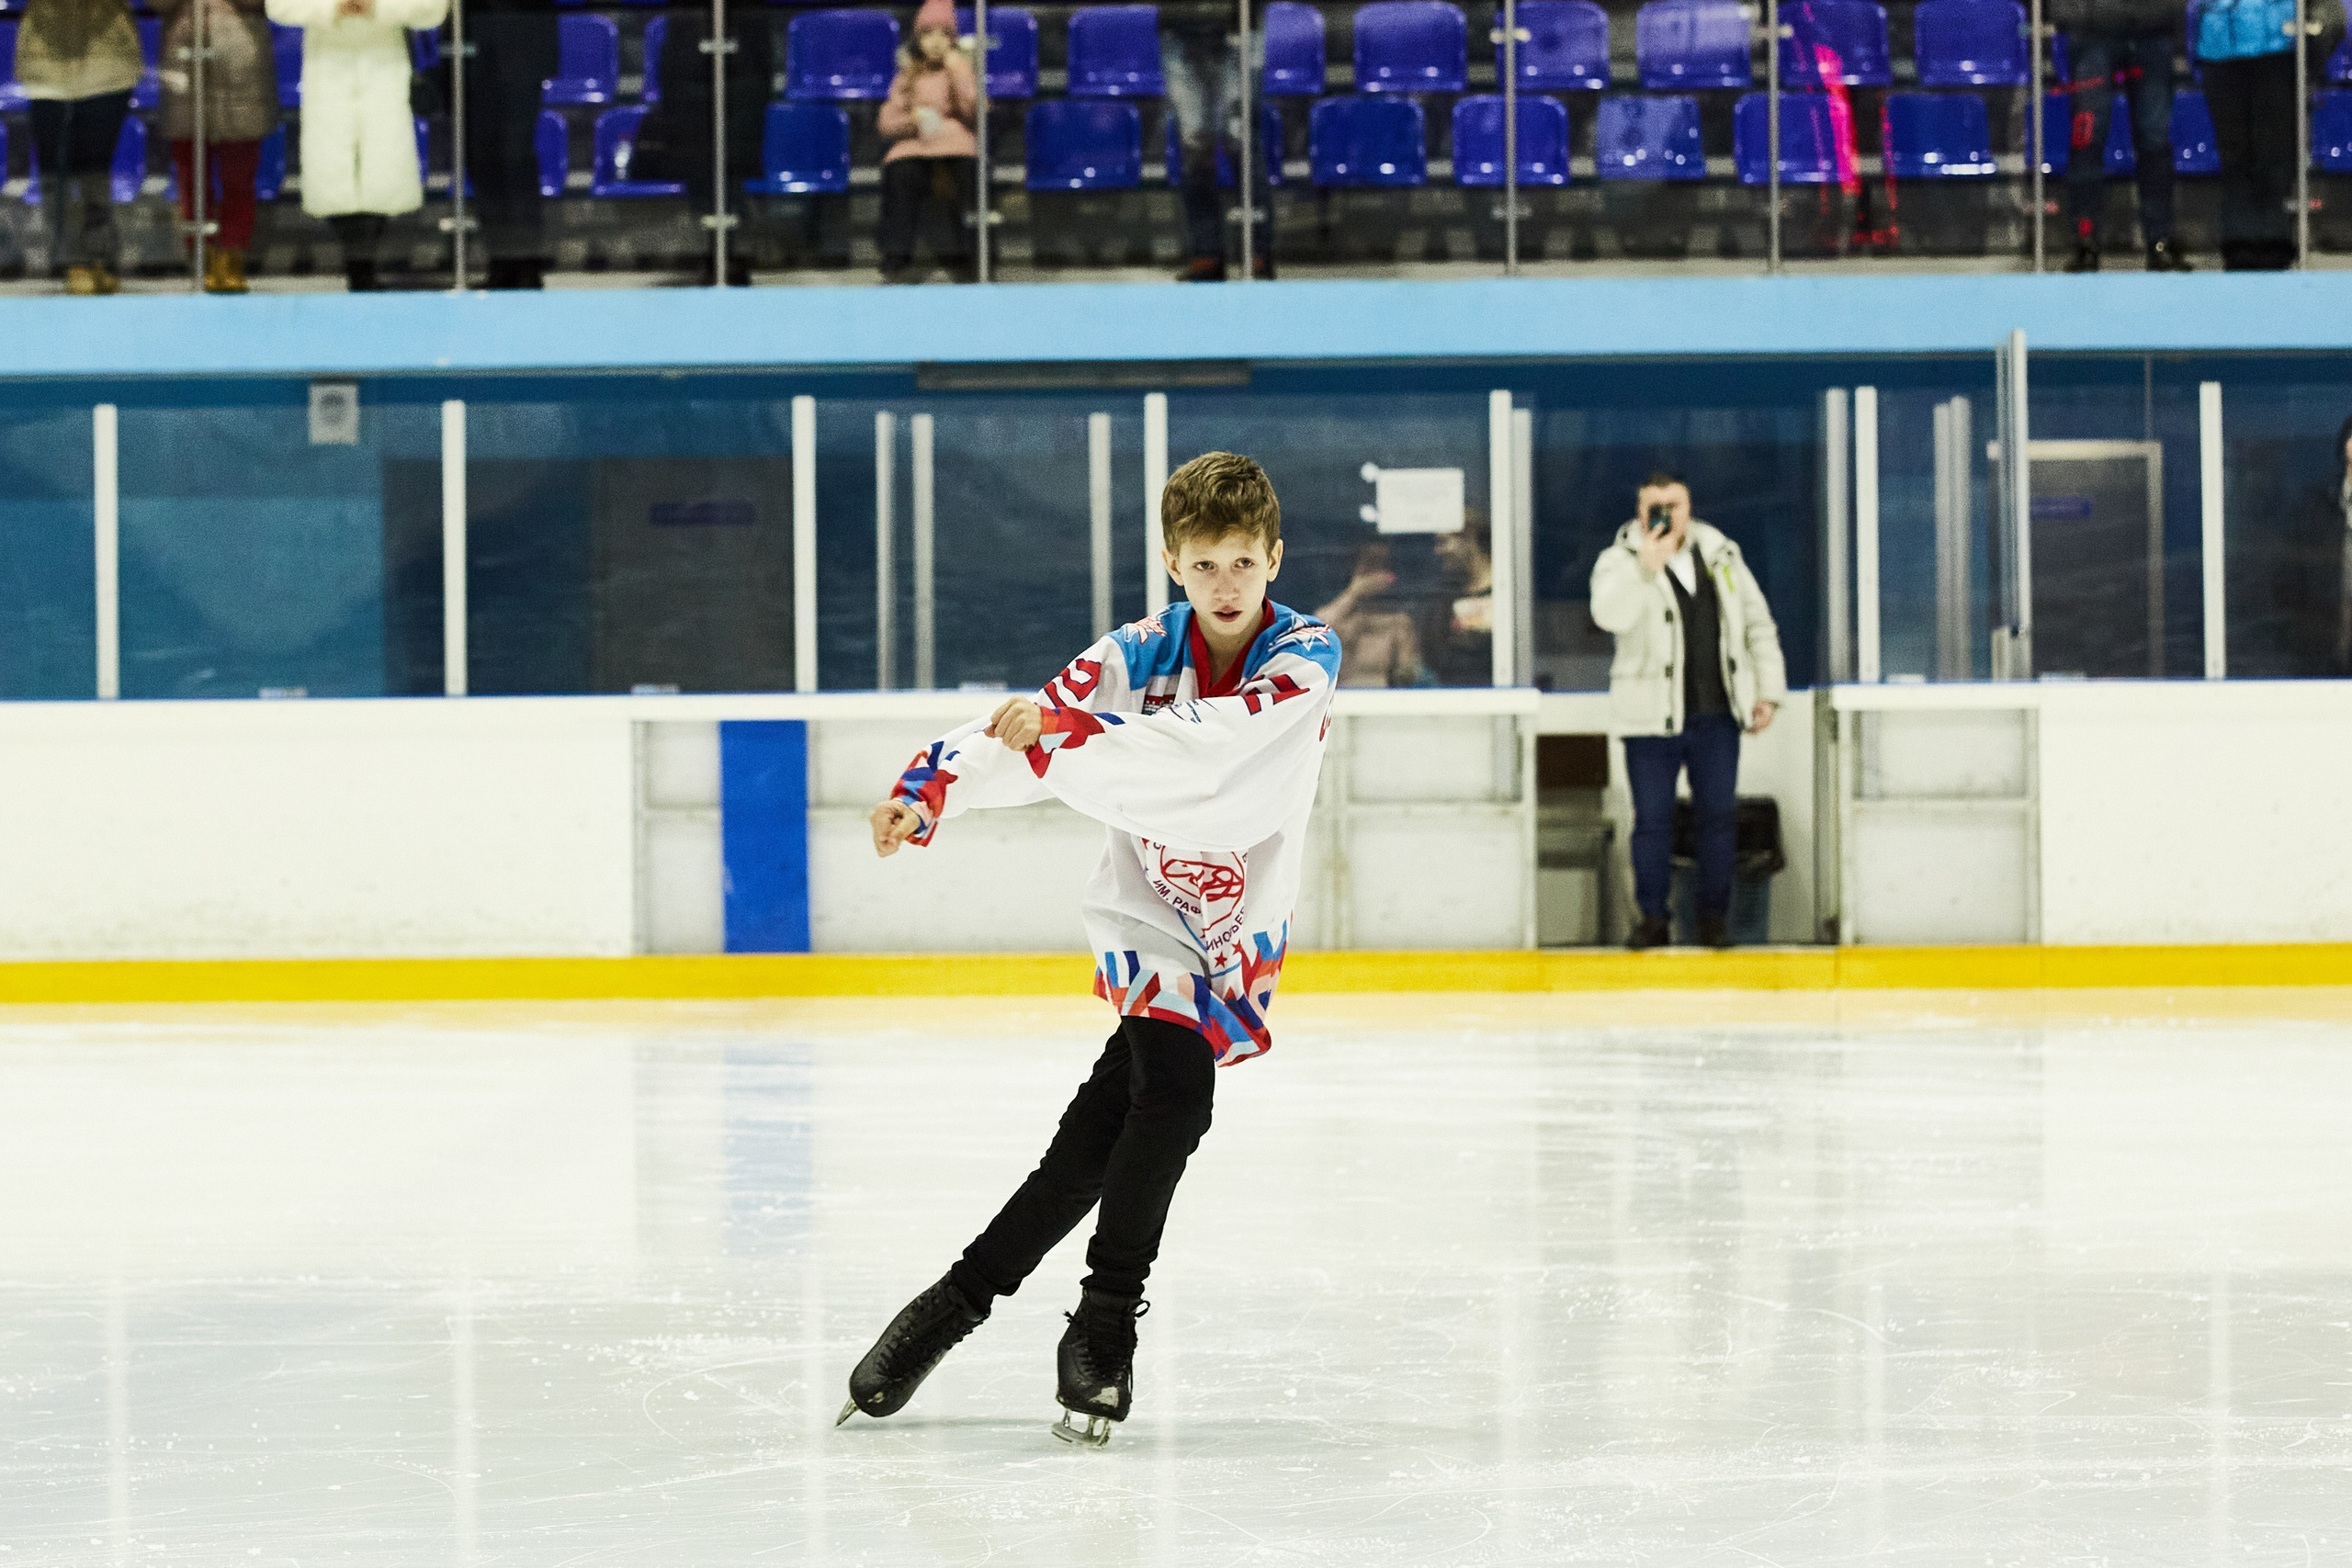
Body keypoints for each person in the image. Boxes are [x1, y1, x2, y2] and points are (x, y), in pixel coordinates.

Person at [840, 452, 1340, 1448]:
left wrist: (1063, 733)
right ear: (1172, 564)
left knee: (1095, 1145)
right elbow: (1023, 724)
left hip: (1241, 927)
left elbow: (1208, 747)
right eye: (1205, 566)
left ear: (1274, 557)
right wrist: (926, 791)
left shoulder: (1304, 659)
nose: (1227, 584)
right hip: (1148, 909)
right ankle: (1103, 1327)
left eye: (1244, 561)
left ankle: (953, 1304)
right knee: (1177, 1099)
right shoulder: (1137, 651)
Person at [1589, 472, 1788, 950]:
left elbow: (1757, 625)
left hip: (1716, 711)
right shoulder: (1619, 561)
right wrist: (1645, 568)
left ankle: (1714, 918)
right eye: (1653, 506)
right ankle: (1653, 918)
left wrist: (1768, 692)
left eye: (1673, 504)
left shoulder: (1722, 555)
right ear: (1639, 512)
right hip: (1649, 718)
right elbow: (1608, 617)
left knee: (1718, 818)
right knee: (1652, 820)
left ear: (1689, 507)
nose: (1664, 514)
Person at [266, 0, 449, 291]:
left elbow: (431, 9)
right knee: (335, 174)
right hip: (328, 72)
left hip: (384, 70)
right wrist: (335, 7)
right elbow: (279, 6)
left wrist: (376, 6)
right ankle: (358, 268)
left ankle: (365, 267)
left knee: (383, 171)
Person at [631, 0, 772, 286]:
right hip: (691, 90)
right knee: (701, 168)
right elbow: (673, 62)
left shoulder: (750, 19)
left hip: (741, 84)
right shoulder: (683, 19)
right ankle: (711, 256)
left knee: (732, 168)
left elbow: (760, 58)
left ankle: (733, 257)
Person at [2052, 0, 2192, 272]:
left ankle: (2159, 240)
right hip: (2091, 32)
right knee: (2087, 140)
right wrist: (2075, 15)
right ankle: (2085, 241)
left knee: (2154, 139)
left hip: (2151, 31)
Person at [15, 0, 141, 295]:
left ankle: (100, 258)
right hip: (45, 66)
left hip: (107, 65)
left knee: (96, 170)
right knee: (53, 171)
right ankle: (70, 261)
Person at [155, 0, 278, 294]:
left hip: (241, 67)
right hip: (184, 64)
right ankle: (201, 256)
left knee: (239, 176)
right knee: (190, 177)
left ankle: (232, 256)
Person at [1162, 0, 1272, 281]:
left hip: (1237, 29)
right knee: (1195, 147)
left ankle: (1257, 254)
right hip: (1182, 31)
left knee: (1241, 142)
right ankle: (1207, 254)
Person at [874, 0, 978, 284]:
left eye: (944, 34)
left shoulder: (961, 70)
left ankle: (976, 254)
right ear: (918, 39)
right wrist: (914, 121)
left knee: (970, 174)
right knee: (900, 174)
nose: (936, 42)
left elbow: (975, 113)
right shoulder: (906, 76)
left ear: (952, 40)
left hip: (955, 145)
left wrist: (958, 71)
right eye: (928, 34)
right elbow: (887, 123)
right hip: (914, 145)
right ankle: (896, 257)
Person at [2195, 0, 2299, 271]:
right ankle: (2238, 243)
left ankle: (2275, 242)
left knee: (2274, 153)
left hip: (2278, 49)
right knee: (2234, 155)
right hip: (2221, 51)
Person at [2278, 412, 2352, 675]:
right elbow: (2287, 582)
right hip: (2317, 666)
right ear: (2346, 446)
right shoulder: (2314, 510)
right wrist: (2303, 639)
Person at [1315, 541, 1426, 686]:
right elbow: (1316, 630)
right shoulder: (1340, 619)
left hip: (1381, 697)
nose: (1374, 576)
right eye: (1368, 568)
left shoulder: (1399, 622)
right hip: (1341, 696)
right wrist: (1353, 592)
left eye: (1380, 566)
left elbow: (1409, 673)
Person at [1429, 513, 1496, 685]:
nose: (1437, 552)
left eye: (1443, 542)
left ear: (1469, 537)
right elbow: (1433, 652)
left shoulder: (1506, 590)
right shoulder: (1447, 595)